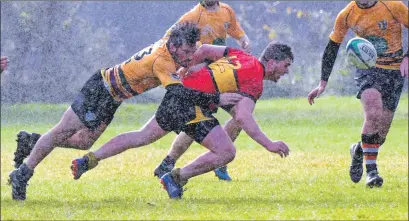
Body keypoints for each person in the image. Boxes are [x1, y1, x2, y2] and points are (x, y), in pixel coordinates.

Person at [8, 22, 242, 201]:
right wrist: (216, 97)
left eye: (193, 50)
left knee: (82, 142)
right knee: (62, 131)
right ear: (173, 46)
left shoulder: (171, 44)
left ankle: (33, 142)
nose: (190, 57)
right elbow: (179, 94)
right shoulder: (161, 61)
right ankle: (23, 173)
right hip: (101, 89)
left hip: (113, 97)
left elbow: (195, 45)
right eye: (187, 52)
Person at [70, 42, 293, 199]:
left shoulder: (242, 56)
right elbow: (243, 116)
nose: (285, 72)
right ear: (272, 62)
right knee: (226, 152)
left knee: (143, 135)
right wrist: (269, 144)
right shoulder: (255, 80)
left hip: (179, 93)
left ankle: (89, 159)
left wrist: (185, 67)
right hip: (192, 104)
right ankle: (176, 178)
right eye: (285, 66)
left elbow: (204, 50)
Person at [307, 0, 408, 188]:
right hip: (368, 69)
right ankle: (372, 172)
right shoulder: (347, 14)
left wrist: (407, 57)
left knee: (381, 134)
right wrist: (322, 83)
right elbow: (332, 48)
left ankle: (359, 149)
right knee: (373, 114)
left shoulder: (394, 6)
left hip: (394, 71)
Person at [164, 0, 251, 180]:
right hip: (200, 78)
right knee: (197, 122)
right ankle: (168, 162)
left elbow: (234, 28)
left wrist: (243, 38)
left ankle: (221, 162)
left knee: (242, 115)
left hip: (221, 74)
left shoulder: (226, 10)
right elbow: (168, 40)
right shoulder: (193, 16)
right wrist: (183, 63)